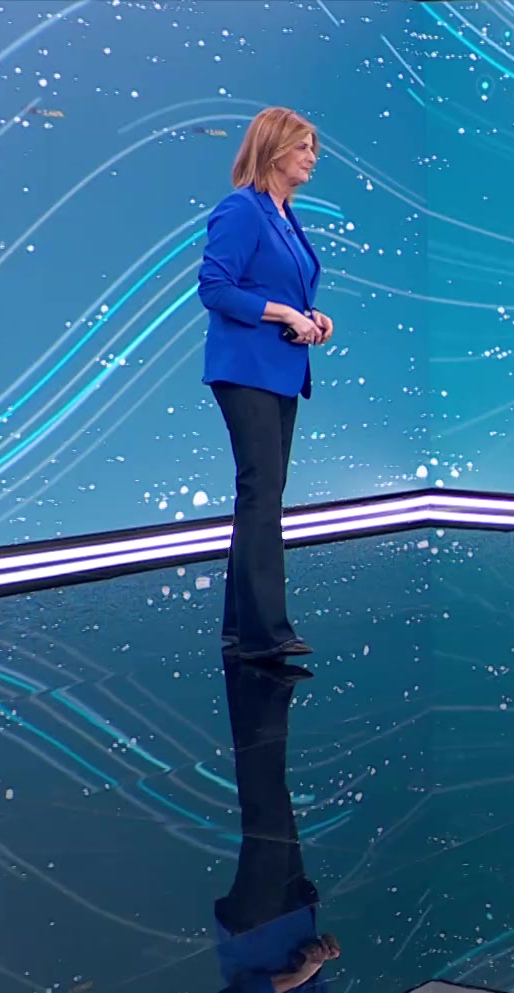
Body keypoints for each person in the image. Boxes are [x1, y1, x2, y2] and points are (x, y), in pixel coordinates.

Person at [199, 106, 335, 661]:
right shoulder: (242, 209)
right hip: (246, 369)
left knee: (263, 493)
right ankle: (265, 634)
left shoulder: (283, 214)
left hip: (279, 370)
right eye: (302, 147)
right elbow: (215, 288)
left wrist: (311, 315)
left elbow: (282, 287)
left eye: (313, 148)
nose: (311, 157)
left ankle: (241, 626)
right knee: (261, 492)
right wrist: (284, 313)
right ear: (273, 149)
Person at [211, 657, 341, 993]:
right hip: (289, 916)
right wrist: (319, 953)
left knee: (265, 804)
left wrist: (298, 976)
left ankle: (262, 683)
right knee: (272, 799)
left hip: (256, 927)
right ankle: (260, 682)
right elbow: (301, 973)